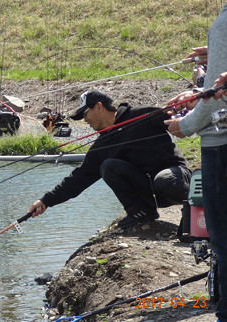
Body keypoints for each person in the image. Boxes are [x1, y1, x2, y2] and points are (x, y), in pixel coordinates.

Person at [27, 89, 192, 230]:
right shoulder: (102, 146)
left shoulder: (139, 114)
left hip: (175, 177)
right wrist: (45, 201)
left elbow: (181, 119)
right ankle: (141, 212)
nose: (85, 120)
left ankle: (200, 205)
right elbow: (77, 180)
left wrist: (184, 115)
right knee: (109, 166)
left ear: (99, 106)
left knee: (164, 180)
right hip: (150, 192)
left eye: (85, 114)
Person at [164, 4, 227, 322]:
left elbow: (214, 95)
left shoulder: (223, 24)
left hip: (220, 144)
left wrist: (182, 126)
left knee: (223, 238)